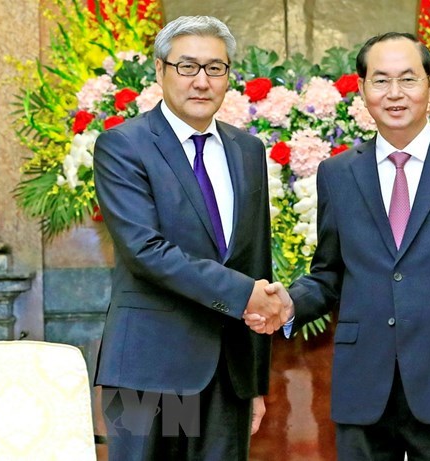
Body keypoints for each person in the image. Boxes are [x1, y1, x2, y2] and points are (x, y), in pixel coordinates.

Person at [245, 32, 430, 460]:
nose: (394, 94)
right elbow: (330, 274)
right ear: (363, 90)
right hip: (363, 388)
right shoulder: (337, 174)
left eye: (408, 79)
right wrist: (289, 304)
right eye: (380, 80)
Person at [93, 16, 288, 460]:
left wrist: (255, 382)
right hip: (151, 368)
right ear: (160, 71)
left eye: (215, 68)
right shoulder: (124, 146)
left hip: (228, 374)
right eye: (187, 67)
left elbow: (255, 261)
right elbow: (147, 252)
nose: (202, 81)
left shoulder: (248, 150)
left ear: (228, 77)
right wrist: (247, 295)